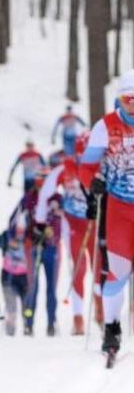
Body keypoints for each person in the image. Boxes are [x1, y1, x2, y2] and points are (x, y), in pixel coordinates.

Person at [79, 70, 134, 362]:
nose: (132, 106)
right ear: (119, 99)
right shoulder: (105, 126)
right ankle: (112, 328)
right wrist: (94, 183)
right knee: (118, 271)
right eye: (128, 100)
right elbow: (86, 167)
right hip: (119, 207)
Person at [35, 131, 99, 335]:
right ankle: (78, 317)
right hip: (72, 224)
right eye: (81, 154)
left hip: (95, 223)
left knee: (99, 267)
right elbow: (45, 193)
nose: (84, 158)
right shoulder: (65, 168)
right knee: (79, 267)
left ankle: (101, 309)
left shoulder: (101, 166)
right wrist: (40, 221)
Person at [22, 170, 63, 337]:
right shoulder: (29, 197)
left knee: (51, 288)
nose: (42, 184)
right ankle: (28, 323)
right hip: (35, 247)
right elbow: (18, 219)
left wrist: (50, 230)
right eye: (40, 180)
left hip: (52, 248)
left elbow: (61, 220)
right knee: (33, 287)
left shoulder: (57, 198)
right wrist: (30, 232)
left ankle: (51, 323)